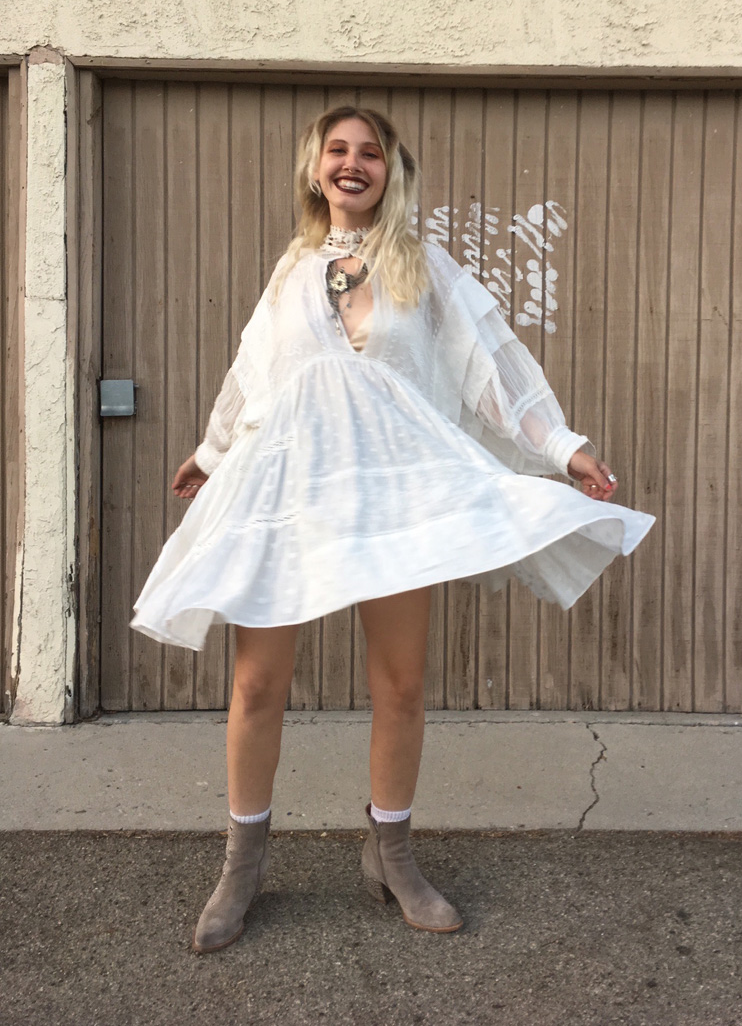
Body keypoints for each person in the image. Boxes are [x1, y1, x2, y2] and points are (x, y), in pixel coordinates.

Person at [131, 105, 655, 953]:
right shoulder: (291, 271)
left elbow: (493, 369)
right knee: (258, 684)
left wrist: (565, 448)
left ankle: (394, 855)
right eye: (337, 151)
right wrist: (211, 450)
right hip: (292, 491)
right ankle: (242, 865)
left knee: (401, 685)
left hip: (396, 493)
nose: (352, 163)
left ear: (390, 172)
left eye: (370, 153)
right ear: (315, 170)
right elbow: (252, 374)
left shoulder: (425, 266)